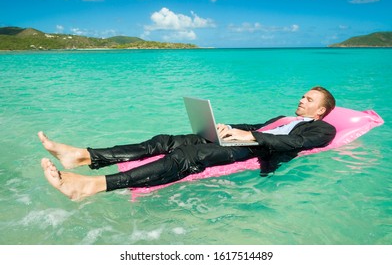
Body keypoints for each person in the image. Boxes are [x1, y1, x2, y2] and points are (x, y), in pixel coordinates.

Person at [39, 86, 336, 201]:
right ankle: (83, 156)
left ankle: (91, 185)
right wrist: (231, 127)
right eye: (302, 95)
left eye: (309, 99)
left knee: (187, 154)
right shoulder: (283, 116)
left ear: (320, 110)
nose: (301, 99)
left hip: (257, 150)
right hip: (244, 139)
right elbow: (256, 126)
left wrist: (251, 138)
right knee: (166, 140)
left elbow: (292, 144)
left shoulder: (324, 129)